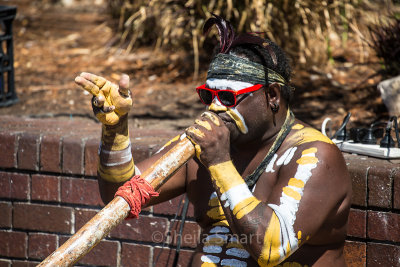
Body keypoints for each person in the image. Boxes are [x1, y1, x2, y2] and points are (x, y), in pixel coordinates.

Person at [75, 14, 352, 267]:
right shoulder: (199, 147)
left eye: (229, 98)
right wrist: (115, 131)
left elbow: (270, 248)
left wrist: (219, 162)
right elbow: (118, 197)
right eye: (209, 97)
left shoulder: (314, 156)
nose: (216, 108)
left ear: (273, 96)